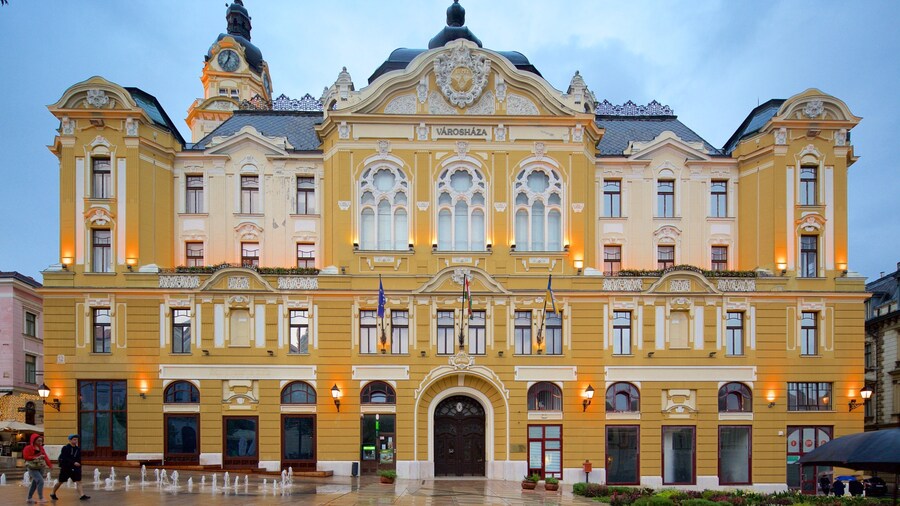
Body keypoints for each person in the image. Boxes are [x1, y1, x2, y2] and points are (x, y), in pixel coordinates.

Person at [50, 434, 90, 501]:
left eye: (76, 439)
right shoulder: (65, 448)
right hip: (66, 468)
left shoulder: (78, 449)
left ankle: (82, 495)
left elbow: (79, 458)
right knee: (60, 482)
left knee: (78, 481)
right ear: (70, 440)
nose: (76, 441)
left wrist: (79, 467)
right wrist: (73, 462)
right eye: (74, 439)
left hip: (76, 468)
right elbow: (64, 458)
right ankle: (53, 493)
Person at [23, 433, 52, 504]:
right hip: (32, 467)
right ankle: (41, 498)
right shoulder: (28, 448)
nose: (40, 442)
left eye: (41, 441)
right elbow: (26, 457)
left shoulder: (41, 448)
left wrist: (50, 465)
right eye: (39, 441)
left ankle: (29, 498)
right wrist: (35, 457)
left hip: (40, 467)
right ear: (34, 440)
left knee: (35, 483)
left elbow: (45, 456)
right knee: (40, 481)